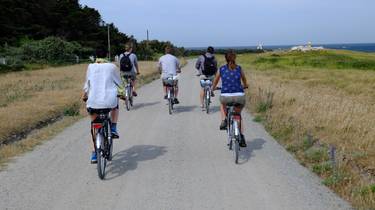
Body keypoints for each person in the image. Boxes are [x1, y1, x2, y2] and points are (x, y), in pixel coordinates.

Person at [82, 58, 124, 163]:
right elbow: (119, 82)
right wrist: (122, 93)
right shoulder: (112, 66)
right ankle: (113, 128)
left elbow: (87, 84)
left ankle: (94, 154)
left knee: (95, 126)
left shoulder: (90, 67)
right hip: (109, 101)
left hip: (93, 102)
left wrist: (85, 95)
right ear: (106, 56)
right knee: (115, 105)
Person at [212, 50, 249, 147]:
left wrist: (213, 88)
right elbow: (244, 80)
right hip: (239, 97)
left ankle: (224, 120)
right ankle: (241, 136)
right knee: (238, 115)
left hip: (226, 97)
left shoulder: (221, 69)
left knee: (222, 103)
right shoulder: (239, 68)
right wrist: (245, 85)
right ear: (235, 58)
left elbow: (215, 81)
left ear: (225, 58)